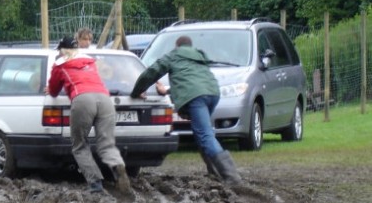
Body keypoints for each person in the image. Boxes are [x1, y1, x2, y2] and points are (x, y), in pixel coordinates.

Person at [130, 35, 241, 184]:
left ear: (177, 46)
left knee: (205, 135)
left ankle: (231, 176)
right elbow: (191, 80)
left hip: (197, 97)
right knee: (203, 132)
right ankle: (215, 172)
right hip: (213, 93)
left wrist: (136, 91)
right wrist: (167, 91)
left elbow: (151, 73)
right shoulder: (199, 55)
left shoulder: (173, 56)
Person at [46, 36, 132, 194]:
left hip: (83, 99)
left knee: (79, 145)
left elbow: (53, 90)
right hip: (105, 100)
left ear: (62, 50)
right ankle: (117, 166)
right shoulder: (90, 62)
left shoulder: (60, 64)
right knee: (106, 144)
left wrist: (49, 89)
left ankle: (95, 184)